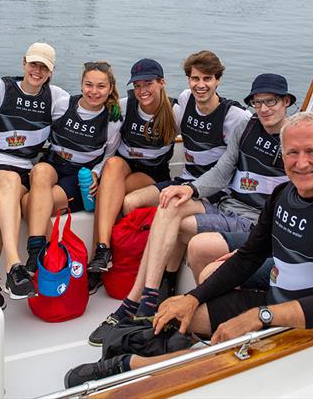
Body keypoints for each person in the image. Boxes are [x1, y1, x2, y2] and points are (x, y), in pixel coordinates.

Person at [64, 112, 313, 387]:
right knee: (181, 318)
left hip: (309, 317)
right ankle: (162, 349)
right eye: (292, 153)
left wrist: (260, 316)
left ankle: (130, 366)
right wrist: (191, 299)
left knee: (221, 345)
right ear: (282, 156)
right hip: (276, 294)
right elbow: (249, 258)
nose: (301, 163)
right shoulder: (284, 193)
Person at [88, 73, 293, 346]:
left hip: (255, 221)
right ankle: (148, 296)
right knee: (171, 203)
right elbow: (222, 171)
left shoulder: (294, 138)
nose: (264, 108)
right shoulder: (246, 127)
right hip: (226, 206)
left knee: (192, 238)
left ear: (287, 102)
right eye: (258, 102)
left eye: (272, 102)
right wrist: (191, 189)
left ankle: (145, 302)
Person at [111, 51, 250, 292]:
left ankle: (167, 279)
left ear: (218, 80)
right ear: (188, 81)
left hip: (213, 191)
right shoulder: (185, 101)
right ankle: (133, 266)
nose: (201, 85)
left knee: (171, 208)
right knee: (130, 203)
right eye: (195, 79)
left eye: (207, 79)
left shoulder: (235, 116)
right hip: (184, 178)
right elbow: (160, 121)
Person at [0, 43, 70, 301]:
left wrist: (114, 111)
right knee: (10, 180)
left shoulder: (56, 97)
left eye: (44, 67)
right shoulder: (0, 88)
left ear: (51, 72)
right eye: (33, 64)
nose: (37, 71)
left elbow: (88, 107)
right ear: (23, 63)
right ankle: (14, 266)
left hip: (22, 173)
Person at [24, 61, 123, 271]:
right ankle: (38, 251)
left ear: (110, 89)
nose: (94, 92)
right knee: (39, 171)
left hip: (78, 178)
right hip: (53, 165)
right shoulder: (62, 104)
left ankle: (50, 257)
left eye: (101, 86)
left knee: (27, 202)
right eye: (89, 85)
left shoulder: (112, 121)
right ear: (81, 85)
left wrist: (96, 174)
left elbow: (109, 155)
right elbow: (28, 91)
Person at [88, 58, 178, 277]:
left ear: (162, 83)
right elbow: (107, 139)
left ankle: (101, 257)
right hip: (123, 164)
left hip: (152, 172)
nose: (142, 90)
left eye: (148, 84)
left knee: (109, 193)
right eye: (137, 86)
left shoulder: (176, 111)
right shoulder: (125, 107)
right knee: (113, 165)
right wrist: (94, 171)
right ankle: (102, 250)